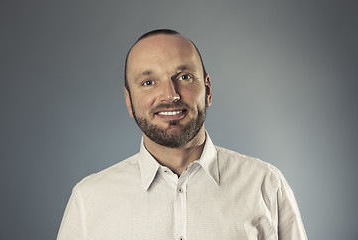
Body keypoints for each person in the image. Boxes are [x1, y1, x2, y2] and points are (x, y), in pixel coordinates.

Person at [57, 29, 307, 240]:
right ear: (129, 102)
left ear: (207, 90)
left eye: (184, 77)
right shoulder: (89, 200)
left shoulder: (265, 184)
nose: (170, 95)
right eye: (148, 82)